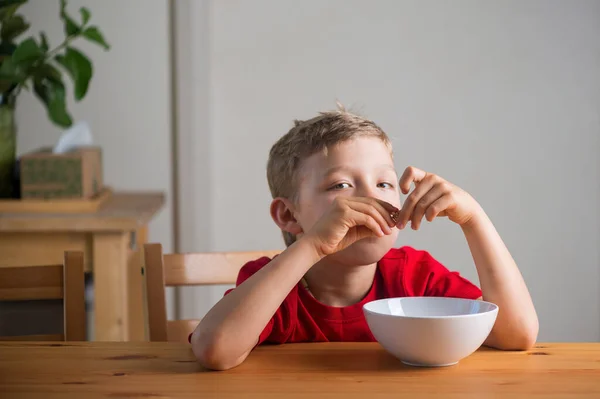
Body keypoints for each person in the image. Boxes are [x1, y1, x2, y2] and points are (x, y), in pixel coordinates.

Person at [191, 106, 538, 370]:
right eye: (341, 185)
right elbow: (214, 351)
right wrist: (313, 245)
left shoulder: (414, 275)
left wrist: (474, 219)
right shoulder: (271, 286)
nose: (372, 198)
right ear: (288, 215)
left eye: (384, 183)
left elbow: (517, 335)